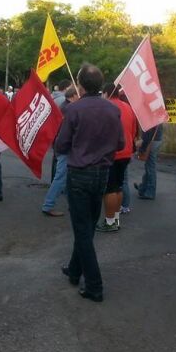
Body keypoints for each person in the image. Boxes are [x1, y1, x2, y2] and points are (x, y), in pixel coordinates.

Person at [55, 64, 124, 302]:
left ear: (81, 86)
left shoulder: (74, 110)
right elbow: (121, 143)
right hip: (102, 173)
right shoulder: (112, 109)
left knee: (83, 229)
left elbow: (61, 145)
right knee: (87, 226)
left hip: (80, 173)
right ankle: (75, 270)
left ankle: (94, 285)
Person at [96, 84, 137, 233]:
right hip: (126, 151)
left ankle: (109, 221)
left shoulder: (106, 107)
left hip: (111, 153)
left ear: (106, 93)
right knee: (118, 186)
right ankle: (116, 218)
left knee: (109, 189)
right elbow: (133, 130)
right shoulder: (127, 107)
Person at [41, 86, 79, 217]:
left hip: (61, 145)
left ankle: (72, 205)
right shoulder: (69, 109)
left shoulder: (65, 106)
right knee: (61, 177)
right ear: (73, 96)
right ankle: (48, 205)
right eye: (78, 95)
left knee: (67, 177)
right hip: (64, 147)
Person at [134, 123, 164, 200]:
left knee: (150, 167)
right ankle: (143, 188)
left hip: (152, 141)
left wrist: (142, 149)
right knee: (149, 166)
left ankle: (150, 192)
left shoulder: (149, 117)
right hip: (157, 139)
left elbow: (148, 134)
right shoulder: (156, 114)